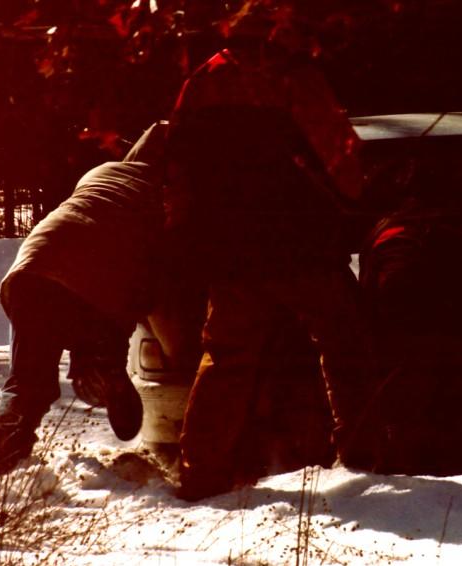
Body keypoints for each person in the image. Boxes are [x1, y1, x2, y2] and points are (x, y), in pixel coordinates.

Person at [165, 2, 379, 501]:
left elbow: (178, 165)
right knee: (344, 341)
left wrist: (189, 235)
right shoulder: (294, 80)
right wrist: (360, 199)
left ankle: (201, 470)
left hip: (233, 250)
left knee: (226, 358)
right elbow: (341, 156)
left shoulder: (202, 81)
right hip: (299, 244)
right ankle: (361, 458)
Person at [0, 122, 167, 475]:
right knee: (112, 303)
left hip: (34, 269)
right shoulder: (164, 191)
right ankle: (101, 367)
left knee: (27, 377)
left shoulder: (103, 172)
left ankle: (2, 459)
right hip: (96, 278)